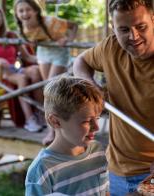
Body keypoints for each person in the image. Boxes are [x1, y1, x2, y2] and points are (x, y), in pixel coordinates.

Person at [73, 0, 154, 195]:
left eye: (141, 27)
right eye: (124, 29)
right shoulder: (111, 47)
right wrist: (90, 85)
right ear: (113, 28)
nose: (133, 36)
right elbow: (81, 61)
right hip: (116, 170)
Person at [25, 76, 109, 196]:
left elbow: (105, 192)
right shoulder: (42, 170)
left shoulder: (98, 151)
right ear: (55, 121)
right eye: (86, 121)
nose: (96, 127)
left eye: (97, 119)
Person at [14, 0, 78, 144]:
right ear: (17, 14)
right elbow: (32, 40)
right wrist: (35, 41)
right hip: (43, 52)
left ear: (36, 11)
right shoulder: (23, 28)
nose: (25, 14)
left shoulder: (50, 21)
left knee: (50, 90)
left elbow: (74, 25)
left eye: (28, 10)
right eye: (21, 11)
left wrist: (68, 39)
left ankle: (52, 132)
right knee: (48, 92)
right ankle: (57, 127)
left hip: (58, 52)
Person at [0, 5, 43, 132]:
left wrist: (44, 60)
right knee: (22, 79)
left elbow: (28, 57)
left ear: (2, 18)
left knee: (36, 70)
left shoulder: (12, 35)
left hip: (14, 69)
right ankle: (29, 119)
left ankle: (40, 112)